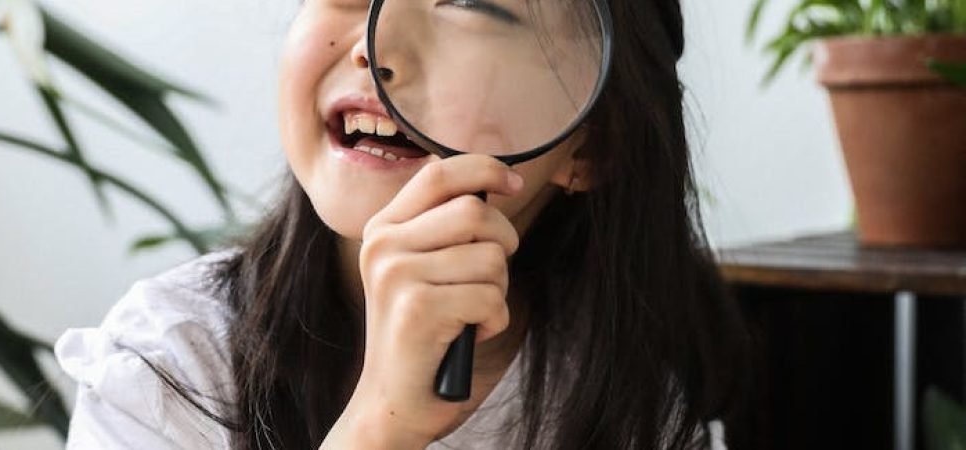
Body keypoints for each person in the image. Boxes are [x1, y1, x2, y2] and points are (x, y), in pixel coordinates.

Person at [54, 0, 749, 448]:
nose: (374, 51)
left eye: (469, 3)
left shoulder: (629, 406)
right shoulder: (165, 366)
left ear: (592, 144)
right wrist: (379, 424)